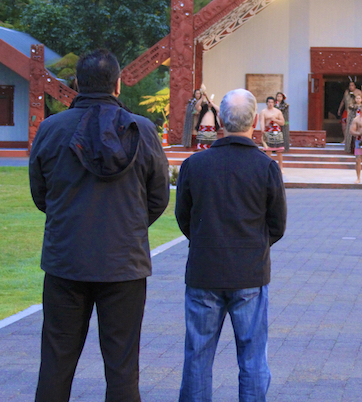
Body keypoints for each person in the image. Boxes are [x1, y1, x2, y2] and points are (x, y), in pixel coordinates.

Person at [29, 49, 170, 402]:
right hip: (123, 261)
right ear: (118, 85)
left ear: (77, 84)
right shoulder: (142, 131)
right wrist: (130, 225)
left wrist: (68, 220)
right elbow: (158, 197)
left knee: (56, 362)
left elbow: (40, 193)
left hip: (67, 259)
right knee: (122, 365)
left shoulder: (51, 129)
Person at [175, 89, 287, 402]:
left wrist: (205, 240)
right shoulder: (265, 167)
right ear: (255, 121)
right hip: (249, 272)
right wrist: (254, 245)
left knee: (197, 357)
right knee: (252, 358)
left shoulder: (194, 165)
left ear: (221, 119)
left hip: (204, 270)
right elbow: (277, 224)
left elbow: (184, 218)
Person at [260, 96, 286, 170]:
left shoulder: (278, 112)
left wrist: (275, 120)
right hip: (268, 131)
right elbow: (262, 122)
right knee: (268, 151)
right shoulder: (263, 112)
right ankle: (267, 168)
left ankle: (280, 167)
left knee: (279, 151)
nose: (270, 104)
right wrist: (262, 130)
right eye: (269, 102)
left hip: (277, 132)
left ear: (274, 103)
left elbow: (283, 122)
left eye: (272, 102)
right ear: (266, 103)